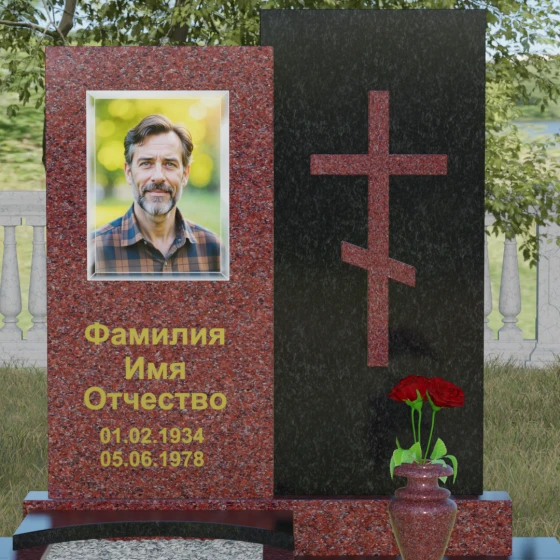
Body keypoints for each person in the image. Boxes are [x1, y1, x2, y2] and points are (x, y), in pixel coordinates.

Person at [90, 114, 221, 276]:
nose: (158, 176)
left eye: (169, 164)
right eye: (146, 163)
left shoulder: (215, 251)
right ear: (129, 173)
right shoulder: (93, 252)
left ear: (185, 174)